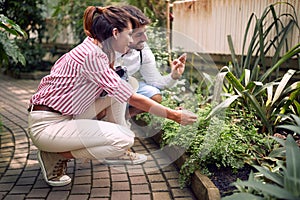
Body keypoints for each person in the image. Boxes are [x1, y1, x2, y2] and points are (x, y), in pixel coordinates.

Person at [27, 5, 197, 187]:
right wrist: (175, 116)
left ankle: (113, 143)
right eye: (130, 34)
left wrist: (172, 76)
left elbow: (123, 91)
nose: (132, 40)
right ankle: (54, 155)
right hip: (48, 125)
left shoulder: (99, 46)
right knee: (124, 138)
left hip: (68, 114)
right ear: (115, 33)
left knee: (128, 83)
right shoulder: (92, 55)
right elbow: (131, 98)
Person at [115, 5, 186, 118]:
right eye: (139, 34)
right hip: (103, 92)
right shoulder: (105, 50)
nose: (145, 38)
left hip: (124, 86)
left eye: (145, 32)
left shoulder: (142, 50)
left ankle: (124, 118)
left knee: (154, 95)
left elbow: (156, 82)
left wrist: (174, 76)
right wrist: (172, 114)